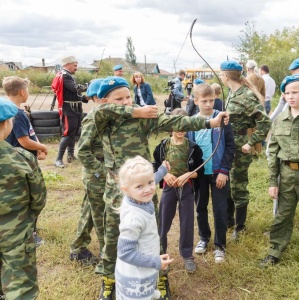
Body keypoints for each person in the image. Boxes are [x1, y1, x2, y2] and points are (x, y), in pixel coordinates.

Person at [89, 76, 229, 300]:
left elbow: (175, 122)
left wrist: (209, 123)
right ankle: (109, 280)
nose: (126, 102)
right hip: (117, 189)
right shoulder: (104, 117)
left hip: (144, 186)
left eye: (128, 97)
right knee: (113, 235)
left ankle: (162, 278)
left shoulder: (143, 117)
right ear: (105, 100)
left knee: (154, 234)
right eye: (120, 98)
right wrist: (135, 111)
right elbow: (98, 113)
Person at [0, 97, 47, 299]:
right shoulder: (22, 157)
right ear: (6, 124)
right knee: (20, 285)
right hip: (15, 230)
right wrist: (26, 217)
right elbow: (38, 198)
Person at [220, 61, 270, 240]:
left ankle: (239, 228)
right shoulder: (233, 93)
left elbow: (264, 122)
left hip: (240, 147)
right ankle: (229, 221)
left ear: (226, 76)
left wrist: (251, 142)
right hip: (228, 144)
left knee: (238, 185)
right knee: (227, 182)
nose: (220, 77)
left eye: (221, 74)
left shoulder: (246, 95)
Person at [187, 83, 235, 263]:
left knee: (220, 209)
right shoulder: (191, 122)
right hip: (199, 174)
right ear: (196, 101)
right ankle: (204, 237)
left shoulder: (222, 119)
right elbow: (188, 148)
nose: (208, 104)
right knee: (200, 207)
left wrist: (224, 171)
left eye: (212, 100)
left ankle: (220, 245)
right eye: (204, 101)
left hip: (218, 174)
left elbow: (230, 147)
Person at [153, 108, 204, 273]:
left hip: (186, 189)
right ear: (170, 127)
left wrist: (188, 175)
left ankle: (187, 256)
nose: (180, 130)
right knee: (163, 222)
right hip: (169, 188)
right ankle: (161, 255)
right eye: (176, 125)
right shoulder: (162, 147)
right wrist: (164, 175)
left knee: (187, 222)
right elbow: (155, 166)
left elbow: (200, 171)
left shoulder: (194, 148)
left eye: (184, 126)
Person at [115, 156, 173, 300]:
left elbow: (147, 180)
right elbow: (125, 253)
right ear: (126, 189)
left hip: (144, 268)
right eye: (139, 186)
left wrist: (162, 171)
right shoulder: (133, 218)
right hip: (136, 279)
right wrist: (156, 262)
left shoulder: (136, 197)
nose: (148, 189)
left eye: (150, 183)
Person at [260, 74, 299, 267]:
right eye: (287, 93)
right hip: (287, 175)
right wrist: (272, 182)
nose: (290, 96)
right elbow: (273, 153)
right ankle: (275, 251)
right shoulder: (279, 120)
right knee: (283, 215)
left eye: (295, 92)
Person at [2, 76, 47, 247]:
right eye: (27, 90)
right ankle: (31, 233)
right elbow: (24, 140)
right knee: (29, 197)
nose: (27, 93)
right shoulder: (17, 113)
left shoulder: (9, 111)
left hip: (15, 161)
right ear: (22, 91)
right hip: (22, 163)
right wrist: (42, 147)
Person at [69, 78, 105, 266]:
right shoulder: (94, 118)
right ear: (96, 97)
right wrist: (101, 172)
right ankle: (108, 254)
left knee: (89, 211)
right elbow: (82, 151)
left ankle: (77, 247)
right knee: (100, 215)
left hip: (98, 173)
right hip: (96, 174)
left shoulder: (105, 116)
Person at [51, 55, 89, 168]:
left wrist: (85, 98)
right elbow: (76, 89)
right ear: (68, 64)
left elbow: (73, 94)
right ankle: (58, 159)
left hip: (76, 108)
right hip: (69, 109)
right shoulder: (64, 76)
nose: (76, 68)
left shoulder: (69, 76)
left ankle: (71, 155)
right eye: (75, 65)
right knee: (67, 134)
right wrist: (89, 85)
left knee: (73, 133)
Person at [270, 58, 299, 122]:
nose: (290, 95)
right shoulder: (288, 88)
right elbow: (279, 112)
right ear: (292, 72)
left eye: (295, 92)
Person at [246, 60, 266, 156]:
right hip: (258, 105)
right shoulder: (261, 78)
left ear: (248, 68)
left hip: (249, 106)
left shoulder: (248, 78)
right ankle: (258, 151)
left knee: (249, 129)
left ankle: (252, 151)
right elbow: (263, 94)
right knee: (257, 128)